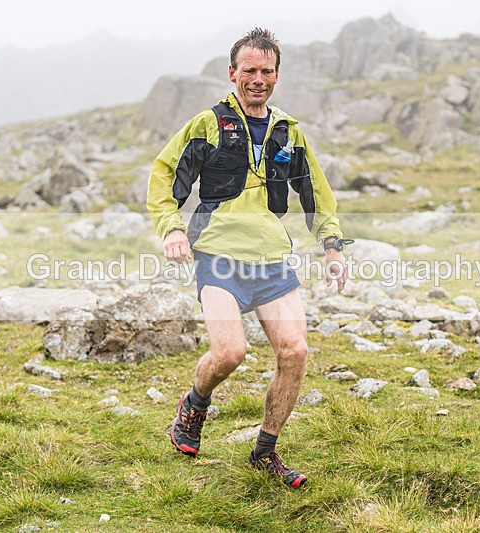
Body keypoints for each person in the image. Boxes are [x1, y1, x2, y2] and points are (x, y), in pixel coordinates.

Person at [147, 27, 351, 488]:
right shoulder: (207, 125)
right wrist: (172, 229)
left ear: (276, 75)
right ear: (232, 73)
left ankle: (264, 452)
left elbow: (317, 193)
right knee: (230, 353)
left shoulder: (289, 132)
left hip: (272, 259)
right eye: (250, 70)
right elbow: (163, 174)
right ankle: (195, 403)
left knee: (295, 352)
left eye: (267, 71)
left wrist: (332, 245)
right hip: (218, 255)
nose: (258, 79)